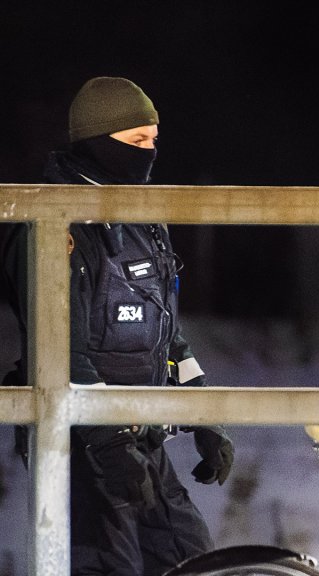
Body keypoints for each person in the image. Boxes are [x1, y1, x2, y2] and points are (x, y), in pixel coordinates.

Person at [1, 77, 233, 576]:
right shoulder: (54, 222)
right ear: (96, 141)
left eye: (154, 139)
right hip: (81, 448)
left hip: (143, 439)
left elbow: (166, 332)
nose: (149, 152)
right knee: (109, 567)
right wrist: (109, 448)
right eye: (135, 141)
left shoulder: (143, 217)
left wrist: (204, 415)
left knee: (195, 561)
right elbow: (59, 349)